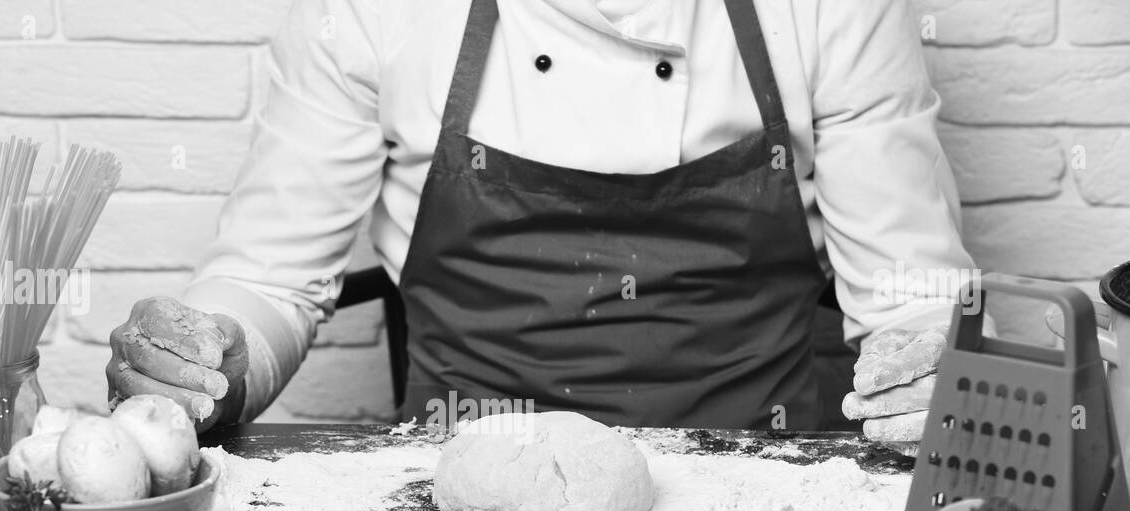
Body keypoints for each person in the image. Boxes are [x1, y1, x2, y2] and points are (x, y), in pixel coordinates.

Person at [106, 0, 983, 440]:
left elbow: (911, 296)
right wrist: (208, 360)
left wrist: (932, 368)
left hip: (773, 489)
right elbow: (266, 278)